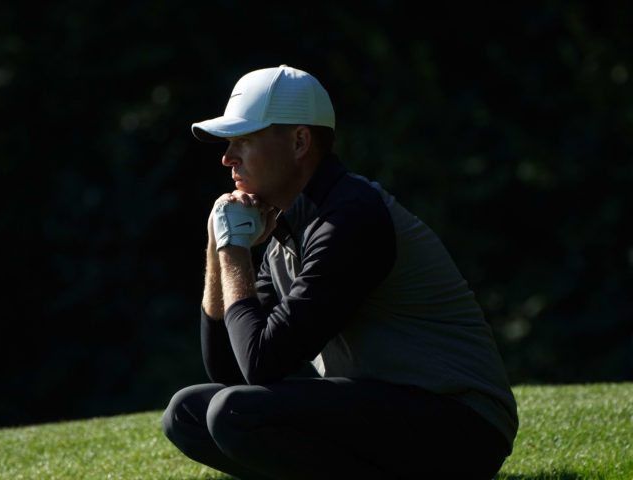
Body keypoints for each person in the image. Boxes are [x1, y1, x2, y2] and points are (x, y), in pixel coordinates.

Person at [161, 64, 518, 479]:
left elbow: (261, 364)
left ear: (299, 142)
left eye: (244, 139)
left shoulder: (349, 219)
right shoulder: (289, 228)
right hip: (390, 411)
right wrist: (217, 245)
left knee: (234, 411)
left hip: (461, 424)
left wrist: (235, 249)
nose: (227, 158)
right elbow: (229, 367)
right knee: (186, 412)